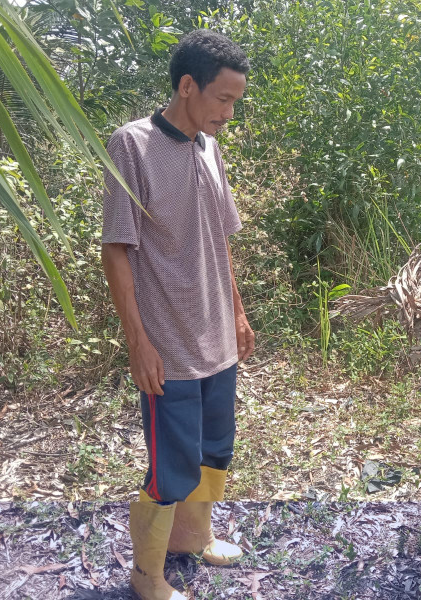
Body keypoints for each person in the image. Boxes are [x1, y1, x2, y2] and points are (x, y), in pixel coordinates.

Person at [101, 30, 254, 600]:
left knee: (215, 447)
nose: (229, 112)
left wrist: (237, 313)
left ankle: (195, 537)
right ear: (187, 86)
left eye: (236, 101)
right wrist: (138, 341)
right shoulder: (133, 146)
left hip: (217, 333)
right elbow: (116, 247)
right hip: (168, 343)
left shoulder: (210, 147)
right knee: (172, 465)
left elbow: (221, 238)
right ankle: (148, 576)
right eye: (222, 98)